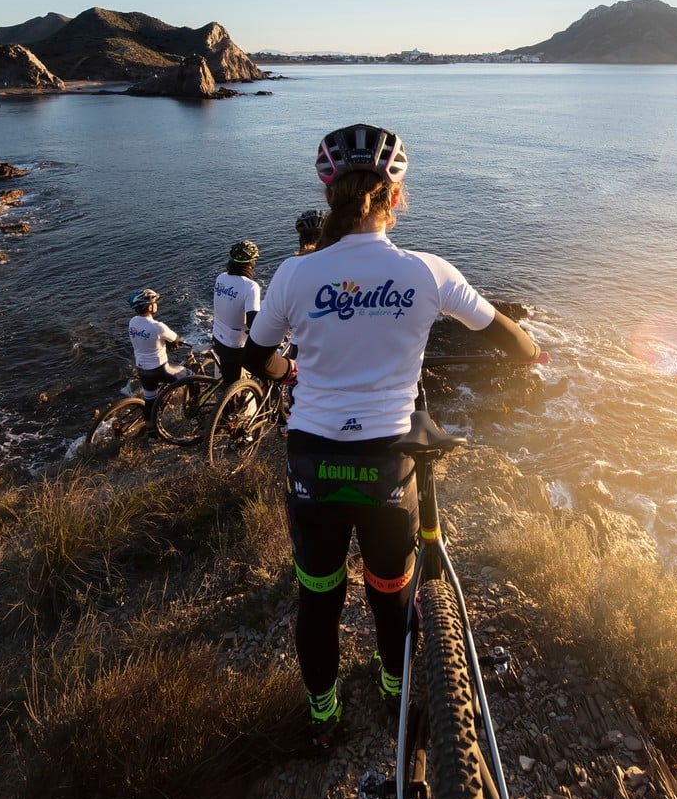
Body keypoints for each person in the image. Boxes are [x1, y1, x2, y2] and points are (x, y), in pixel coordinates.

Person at [245, 124, 542, 748]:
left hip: (313, 466)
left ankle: (323, 718)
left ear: (330, 196)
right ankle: (393, 692)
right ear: (393, 197)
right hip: (388, 466)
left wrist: (286, 370)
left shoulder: (295, 276)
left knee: (318, 599)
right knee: (390, 596)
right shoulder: (427, 273)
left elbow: (257, 357)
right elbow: (508, 337)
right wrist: (531, 351)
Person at [210, 240, 262, 385]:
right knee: (265, 369)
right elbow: (253, 322)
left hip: (218, 340)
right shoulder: (251, 286)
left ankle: (226, 404)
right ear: (252, 263)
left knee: (229, 382)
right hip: (235, 346)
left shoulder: (221, 278)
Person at [125, 288, 182, 398]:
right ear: (150, 306)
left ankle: (152, 413)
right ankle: (193, 406)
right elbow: (175, 338)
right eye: (154, 302)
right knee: (190, 377)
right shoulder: (157, 326)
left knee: (150, 400)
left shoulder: (132, 322)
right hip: (160, 370)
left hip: (142, 370)